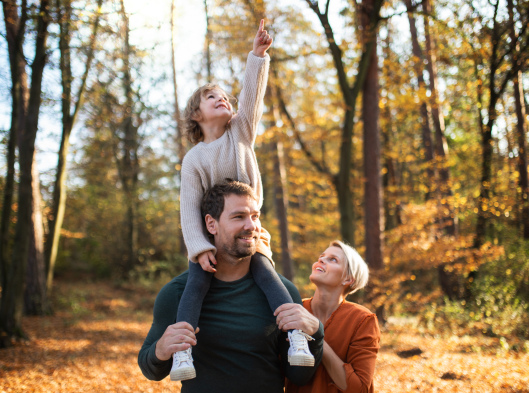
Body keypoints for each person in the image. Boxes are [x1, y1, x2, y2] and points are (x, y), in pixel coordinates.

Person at [173, 19, 314, 381]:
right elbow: (189, 207)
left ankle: (297, 336)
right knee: (195, 287)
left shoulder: (241, 132)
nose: (223, 99)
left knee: (268, 276)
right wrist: (198, 247)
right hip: (212, 235)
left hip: (249, 227)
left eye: (225, 96)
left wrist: (257, 56)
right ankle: (183, 351)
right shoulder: (194, 159)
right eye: (211, 97)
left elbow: (251, 96)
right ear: (196, 115)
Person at [138, 181, 324, 392]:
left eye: (255, 216)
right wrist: (161, 349)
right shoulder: (177, 293)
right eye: (239, 217)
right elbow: (150, 370)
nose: (251, 226)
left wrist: (316, 332)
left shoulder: (282, 293)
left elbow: (299, 376)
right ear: (211, 224)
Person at [281, 241, 381, 393]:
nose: (321, 260)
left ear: (348, 279)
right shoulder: (295, 310)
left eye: (333, 259)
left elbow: (359, 389)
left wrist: (317, 336)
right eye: (322, 257)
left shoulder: (362, 320)